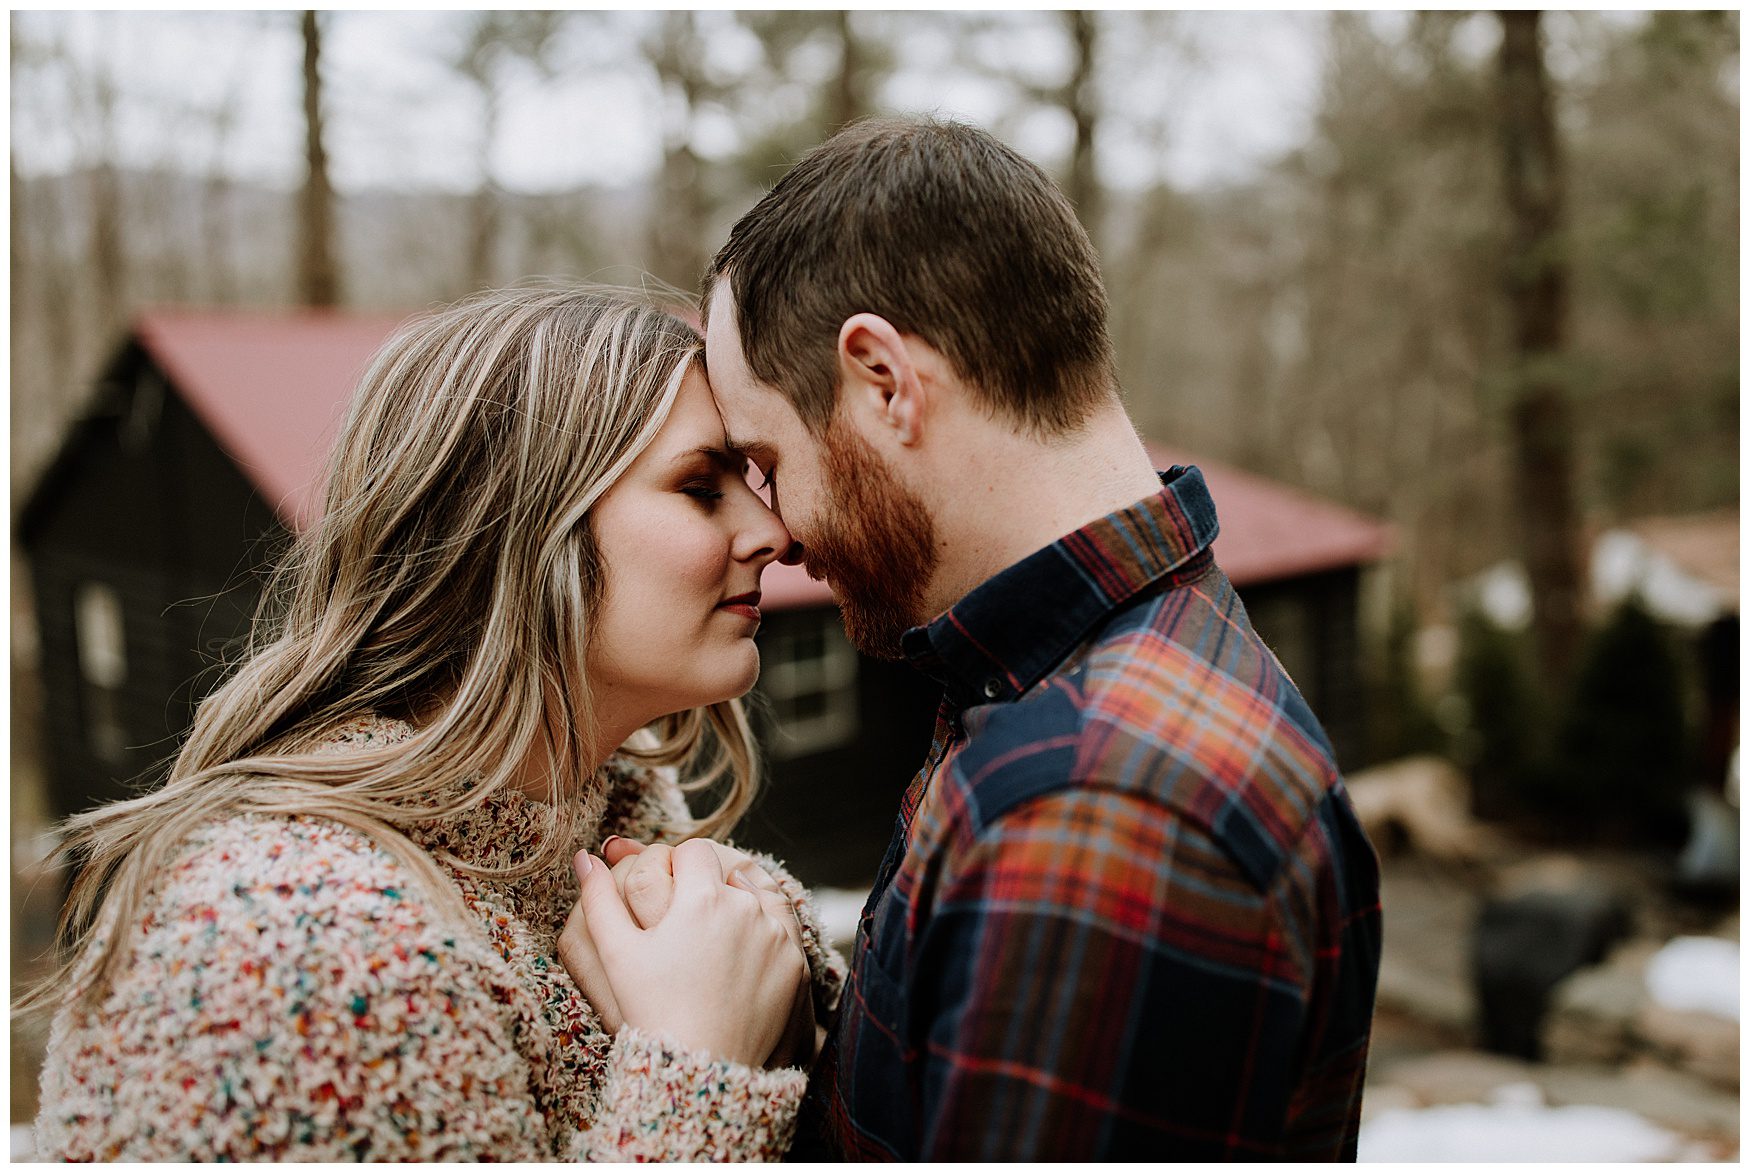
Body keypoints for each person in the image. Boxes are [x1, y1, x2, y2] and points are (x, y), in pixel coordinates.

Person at [599, 116, 1384, 1159]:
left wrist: (689, 1073)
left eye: (768, 461)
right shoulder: (1084, 684)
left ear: (883, 381)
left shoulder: (1092, 811)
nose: (777, 535)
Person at [25, 286, 845, 1161]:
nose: (774, 530)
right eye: (699, 486)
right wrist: (699, 1069)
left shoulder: (612, 819)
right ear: (512, 536)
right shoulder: (305, 945)